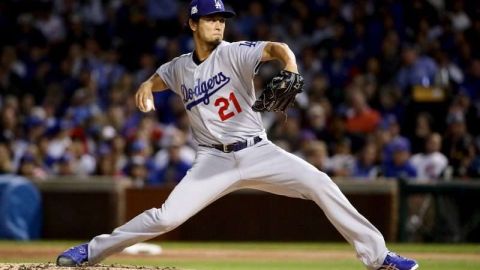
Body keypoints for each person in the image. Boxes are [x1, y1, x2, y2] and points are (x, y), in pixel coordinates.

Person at [56, 1, 418, 269]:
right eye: (211, 19)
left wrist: (289, 65)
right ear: (193, 24)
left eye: (222, 19)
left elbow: (278, 49)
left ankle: (378, 257)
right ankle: (90, 252)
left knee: (321, 183)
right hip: (212, 159)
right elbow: (160, 77)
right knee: (165, 218)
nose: (218, 24)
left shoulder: (234, 54)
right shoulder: (180, 66)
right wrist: (146, 86)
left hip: (257, 151)